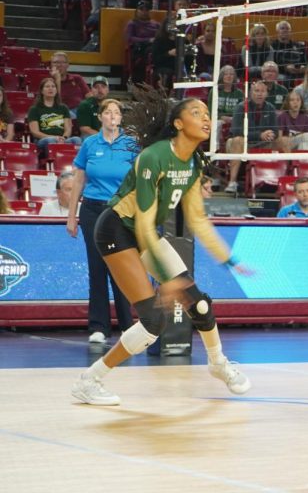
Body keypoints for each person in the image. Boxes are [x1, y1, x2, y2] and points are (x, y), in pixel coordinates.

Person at [70, 96, 251, 406]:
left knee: (200, 304)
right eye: (196, 113)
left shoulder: (193, 162)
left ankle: (218, 363)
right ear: (178, 124)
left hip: (146, 234)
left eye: (207, 113)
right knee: (154, 321)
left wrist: (229, 259)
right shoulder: (153, 158)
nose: (206, 118)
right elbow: (141, 223)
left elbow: (196, 219)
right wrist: (169, 278)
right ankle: (90, 380)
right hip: (117, 229)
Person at [64, 100, 141, 344]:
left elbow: (141, 179)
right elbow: (78, 181)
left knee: (120, 267)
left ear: (120, 118)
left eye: (116, 112)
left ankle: (127, 324)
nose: (112, 116)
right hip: (92, 210)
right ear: (100, 117)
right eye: (108, 112)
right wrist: (71, 216)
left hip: (120, 212)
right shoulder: (89, 144)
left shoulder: (131, 144)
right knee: (96, 268)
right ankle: (98, 326)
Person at [222, 81, 278, 194]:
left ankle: (285, 180)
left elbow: (275, 131)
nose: (259, 94)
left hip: (263, 144)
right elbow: (236, 131)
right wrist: (260, 135)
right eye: (256, 91)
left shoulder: (270, 108)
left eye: (262, 91)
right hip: (241, 143)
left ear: (267, 94)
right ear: (251, 93)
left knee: (283, 141)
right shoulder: (241, 107)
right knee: (238, 140)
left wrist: (271, 134)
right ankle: (232, 182)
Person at [28, 77, 82, 152]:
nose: (51, 89)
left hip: (62, 139)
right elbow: (35, 132)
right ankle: (54, 161)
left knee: (77, 140)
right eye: (47, 86)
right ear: (42, 91)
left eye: (53, 86)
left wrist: (64, 138)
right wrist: (54, 137)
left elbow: (68, 129)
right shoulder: (34, 109)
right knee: (51, 140)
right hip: (43, 140)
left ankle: (76, 163)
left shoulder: (63, 108)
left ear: (56, 90)